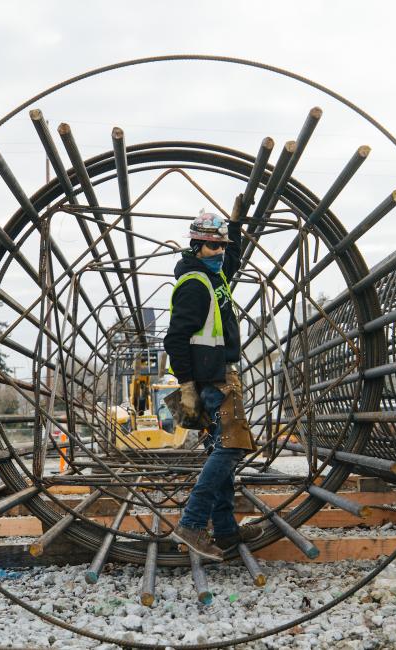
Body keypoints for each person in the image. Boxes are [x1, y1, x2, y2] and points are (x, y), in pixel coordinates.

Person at [165, 208, 263, 561]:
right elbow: (174, 339)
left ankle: (224, 532)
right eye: (211, 247)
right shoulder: (194, 284)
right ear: (196, 246)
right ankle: (191, 524)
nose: (219, 253)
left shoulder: (215, 274)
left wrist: (235, 225)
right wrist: (187, 386)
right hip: (214, 378)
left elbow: (232, 257)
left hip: (218, 374)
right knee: (232, 448)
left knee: (218, 450)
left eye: (221, 247)